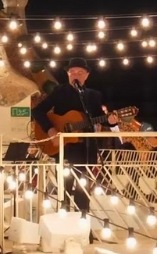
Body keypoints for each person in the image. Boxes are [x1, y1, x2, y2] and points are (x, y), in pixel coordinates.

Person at [31, 57, 116, 213]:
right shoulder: (59, 91)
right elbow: (38, 111)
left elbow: (99, 117)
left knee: (84, 187)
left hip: (86, 148)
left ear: (87, 75)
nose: (75, 75)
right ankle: (65, 221)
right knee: (65, 186)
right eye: (72, 72)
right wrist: (51, 130)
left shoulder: (93, 95)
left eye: (79, 72)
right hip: (65, 148)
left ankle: (83, 223)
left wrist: (111, 121)